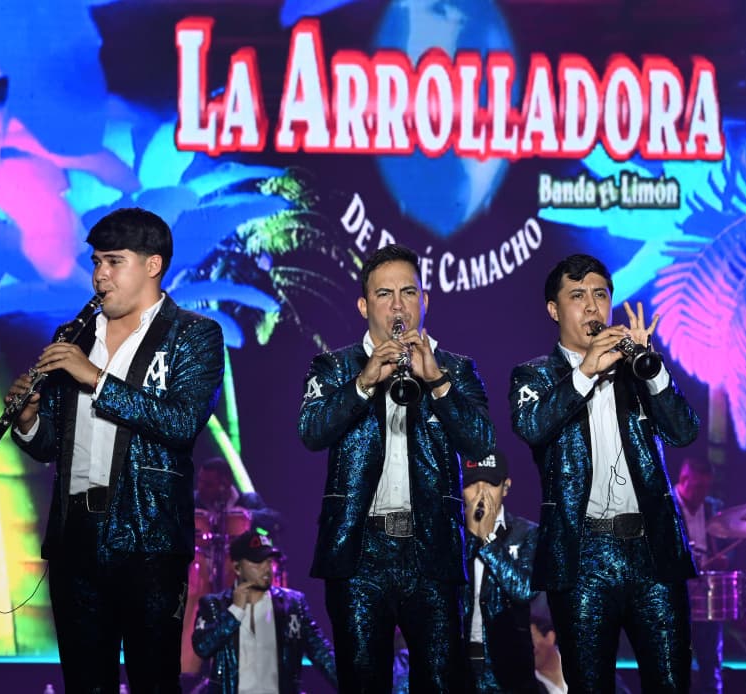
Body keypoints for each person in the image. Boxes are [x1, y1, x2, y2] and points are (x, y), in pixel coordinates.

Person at [8, 207, 224, 693]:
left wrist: (95, 378)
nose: (99, 275)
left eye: (113, 261)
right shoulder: (74, 335)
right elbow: (51, 446)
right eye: (96, 262)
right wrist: (28, 420)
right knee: (84, 683)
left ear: (152, 265)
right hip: (75, 537)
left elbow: (181, 423)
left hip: (149, 539)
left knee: (154, 681)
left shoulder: (194, 335)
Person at [298, 243, 495, 692]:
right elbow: (310, 432)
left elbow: (482, 441)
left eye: (408, 292)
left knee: (443, 683)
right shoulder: (333, 366)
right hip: (359, 553)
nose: (398, 305)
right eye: (384, 294)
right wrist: (363, 382)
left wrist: (437, 382)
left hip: (432, 551)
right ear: (364, 305)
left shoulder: (456, 368)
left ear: (425, 300)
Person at [509, 253, 700, 692]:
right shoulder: (534, 375)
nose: (592, 306)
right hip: (582, 558)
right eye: (577, 296)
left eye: (600, 295)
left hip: (652, 553)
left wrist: (651, 369)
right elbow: (532, 426)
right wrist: (585, 371)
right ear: (554, 310)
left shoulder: (637, 370)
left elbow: (684, 431)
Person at [191, 530, 336, 693]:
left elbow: (321, 652)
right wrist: (234, 613)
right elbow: (202, 648)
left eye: (268, 561)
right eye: (257, 562)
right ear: (237, 567)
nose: (266, 569)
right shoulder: (215, 605)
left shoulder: (293, 604)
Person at [461, 450, 540, 693]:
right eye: (472, 484)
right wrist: (469, 538)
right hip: (457, 667)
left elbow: (526, 590)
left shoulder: (527, 533)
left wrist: (488, 539)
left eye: (490, 484)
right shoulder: (450, 535)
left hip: (510, 670)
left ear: (506, 487)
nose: (481, 494)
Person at [675, 457, 726, 694]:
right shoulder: (663, 505)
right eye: (698, 487)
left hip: (707, 596)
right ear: (683, 479)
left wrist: (722, 559)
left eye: (706, 487)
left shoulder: (712, 507)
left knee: (710, 664)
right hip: (676, 595)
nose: (702, 494)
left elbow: (725, 539)